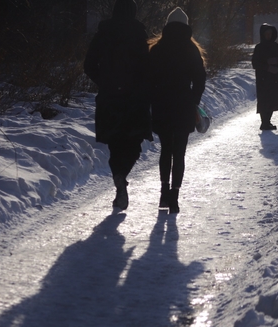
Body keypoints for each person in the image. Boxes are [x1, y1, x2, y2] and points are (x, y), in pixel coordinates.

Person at [84, 0, 152, 211]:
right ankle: (122, 176)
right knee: (133, 144)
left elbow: (88, 65)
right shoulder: (140, 35)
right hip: (135, 100)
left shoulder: (102, 34)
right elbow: (148, 67)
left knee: (115, 143)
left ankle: (118, 178)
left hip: (109, 98)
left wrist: (105, 82)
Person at [148, 7, 206, 214]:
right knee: (179, 152)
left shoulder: (157, 49)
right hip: (183, 105)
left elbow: (148, 78)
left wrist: (153, 99)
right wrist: (193, 101)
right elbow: (200, 79)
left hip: (162, 105)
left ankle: (163, 191)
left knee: (166, 150)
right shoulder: (191, 50)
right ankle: (174, 196)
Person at [252, 24, 278, 131]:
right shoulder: (259, 48)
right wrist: (267, 66)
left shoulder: (275, 46)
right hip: (263, 79)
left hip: (274, 78)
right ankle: (264, 122)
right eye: (266, 34)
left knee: (273, 100)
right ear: (263, 34)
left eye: (270, 34)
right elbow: (255, 64)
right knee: (264, 100)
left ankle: (268, 122)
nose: (268, 36)